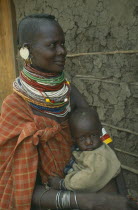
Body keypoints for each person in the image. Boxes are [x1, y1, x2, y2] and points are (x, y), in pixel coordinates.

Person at [0, 14, 129, 210]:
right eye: (52, 45)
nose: (62, 51)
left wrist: (121, 193)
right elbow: (20, 187)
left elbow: (102, 141)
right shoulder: (15, 108)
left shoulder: (69, 92)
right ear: (26, 51)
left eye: (63, 44)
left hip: (85, 185)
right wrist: (87, 201)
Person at [48, 108, 121, 193]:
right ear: (73, 138)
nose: (89, 142)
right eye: (82, 138)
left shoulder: (99, 156)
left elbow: (86, 180)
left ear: (100, 133)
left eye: (93, 135)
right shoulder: (84, 150)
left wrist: (62, 184)